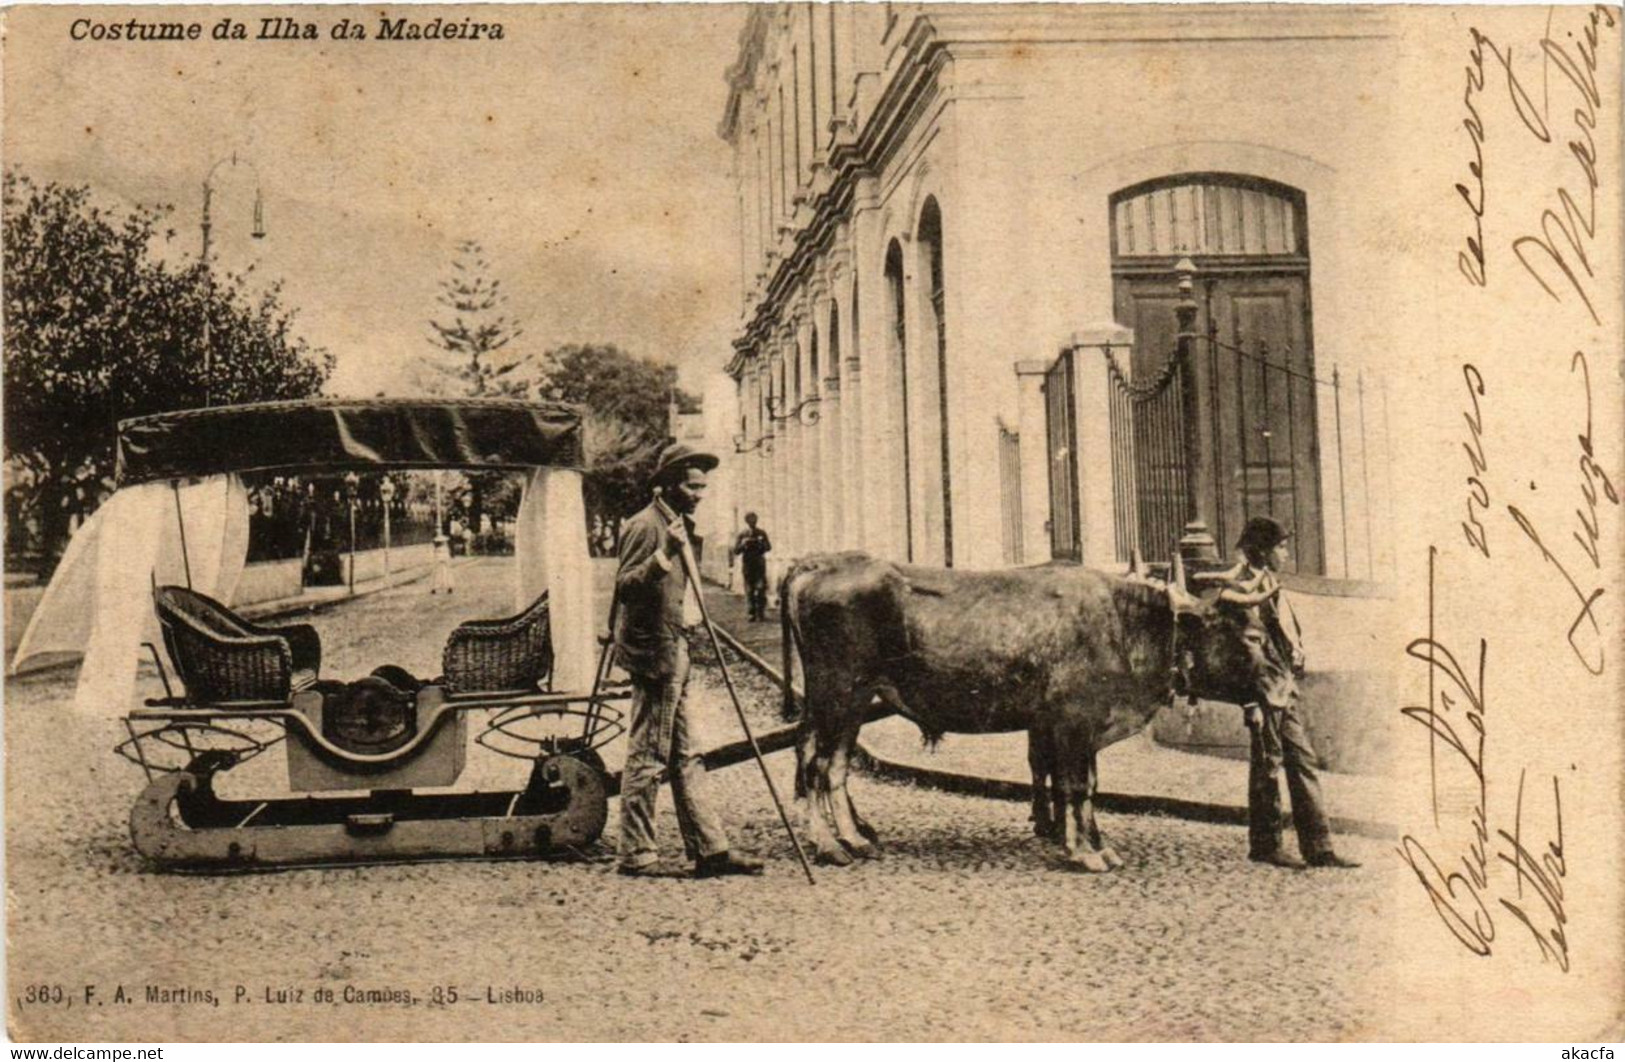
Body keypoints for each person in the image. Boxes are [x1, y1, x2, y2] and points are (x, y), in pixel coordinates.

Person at [613, 443, 764, 879]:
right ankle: (636, 854)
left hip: (676, 648)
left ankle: (711, 850)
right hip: (656, 655)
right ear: (668, 485)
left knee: (687, 754)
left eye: (702, 486)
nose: (699, 492)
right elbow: (625, 588)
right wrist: (662, 558)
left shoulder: (678, 523)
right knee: (648, 755)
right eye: (691, 485)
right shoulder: (646, 526)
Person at [1215, 516, 1360, 870]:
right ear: (1262, 551)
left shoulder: (1268, 581)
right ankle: (1266, 844)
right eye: (1280, 546)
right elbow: (1240, 651)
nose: (1286, 552)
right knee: (1267, 765)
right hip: (1262, 691)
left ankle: (1320, 847)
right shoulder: (1240, 586)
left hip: (1283, 686)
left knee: (1302, 760)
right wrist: (1250, 701)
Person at [731, 512, 772, 621]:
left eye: (754, 520)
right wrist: (743, 544)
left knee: (761, 589)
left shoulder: (762, 533)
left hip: (759, 565)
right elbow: (735, 551)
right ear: (746, 521)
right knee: (749, 590)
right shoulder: (742, 534)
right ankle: (751, 613)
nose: (752, 522)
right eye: (750, 520)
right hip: (748, 566)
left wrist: (760, 543)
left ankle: (761, 612)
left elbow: (768, 547)